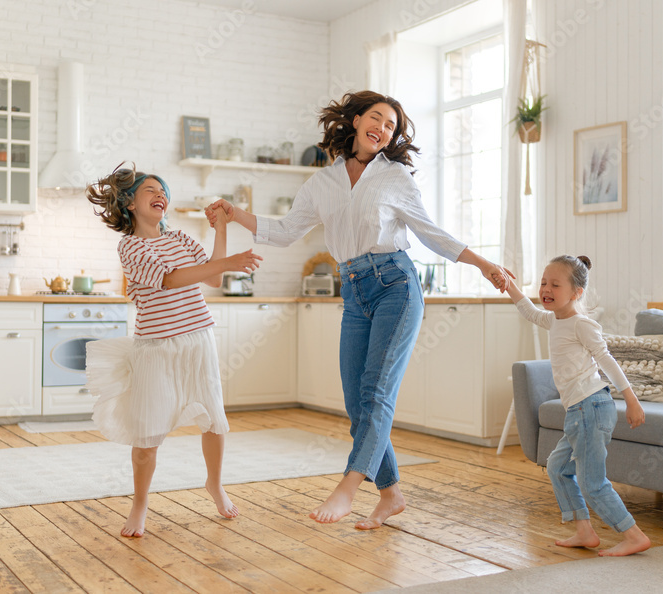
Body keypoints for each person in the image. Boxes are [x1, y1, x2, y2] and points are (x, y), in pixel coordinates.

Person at [204, 90, 513, 530]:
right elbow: (287, 231)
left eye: (391, 126)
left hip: (396, 286)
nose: (383, 129)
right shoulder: (321, 183)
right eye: (377, 118)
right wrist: (235, 214)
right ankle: (391, 494)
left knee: (377, 392)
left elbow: (432, 234)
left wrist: (483, 264)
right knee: (357, 400)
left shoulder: (396, 177)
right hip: (352, 291)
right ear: (355, 121)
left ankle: (349, 485)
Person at [85, 164, 263, 537]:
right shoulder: (130, 246)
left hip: (198, 339)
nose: (159, 194)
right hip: (156, 347)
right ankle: (140, 505)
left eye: (162, 190)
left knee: (214, 420)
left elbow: (212, 277)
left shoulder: (181, 239)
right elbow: (169, 280)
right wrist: (229, 262)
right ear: (130, 203)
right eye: (149, 190)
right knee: (147, 435)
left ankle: (214, 484)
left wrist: (221, 230)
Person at [495, 255, 651, 556]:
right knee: (556, 467)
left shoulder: (582, 324)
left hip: (591, 407)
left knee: (592, 481)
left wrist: (631, 399)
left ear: (576, 293)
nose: (546, 289)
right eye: (543, 283)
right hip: (579, 411)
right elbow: (527, 309)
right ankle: (584, 531)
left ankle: (633, 535)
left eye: (555, 284)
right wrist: (508, 283)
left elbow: (607, 360)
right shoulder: (553, 320)